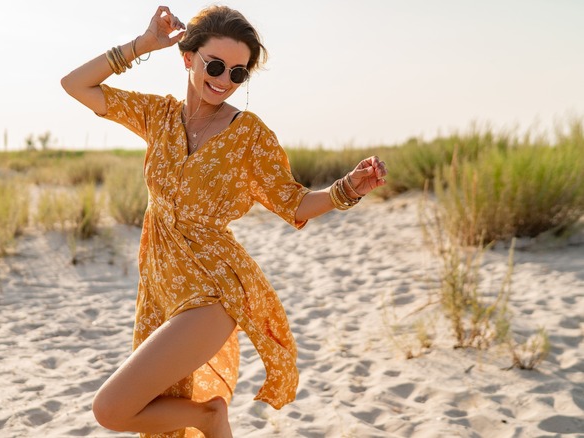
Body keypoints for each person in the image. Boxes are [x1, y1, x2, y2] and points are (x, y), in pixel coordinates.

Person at [61, 5, 387, 437]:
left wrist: (349, 187)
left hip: (214, 289)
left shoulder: (249, 135)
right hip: (162, 284)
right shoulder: (158, 117)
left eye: (238, 73)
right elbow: (75, 84)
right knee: (148, 409)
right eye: (215, 65)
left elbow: (294, 202)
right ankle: (210, 419)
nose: (224, 80)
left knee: (111, 409)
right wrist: (143, 44)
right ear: (188, 58)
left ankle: (208, 416)